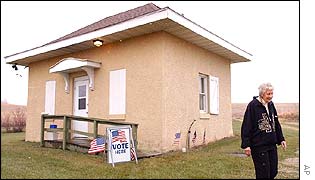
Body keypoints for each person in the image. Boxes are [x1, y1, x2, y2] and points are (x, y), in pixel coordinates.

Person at [241, 83, 287, 179]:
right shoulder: (253, 105)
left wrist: (281, 139)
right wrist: (246, 145)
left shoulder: (271, 104)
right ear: (262, 94)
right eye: (268, 94)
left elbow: (276, 122)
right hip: (258, 146)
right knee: (263, 174)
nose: (271, 96)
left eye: (271, 94)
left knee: (273, 172)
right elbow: (246, 125)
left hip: (271, 144)